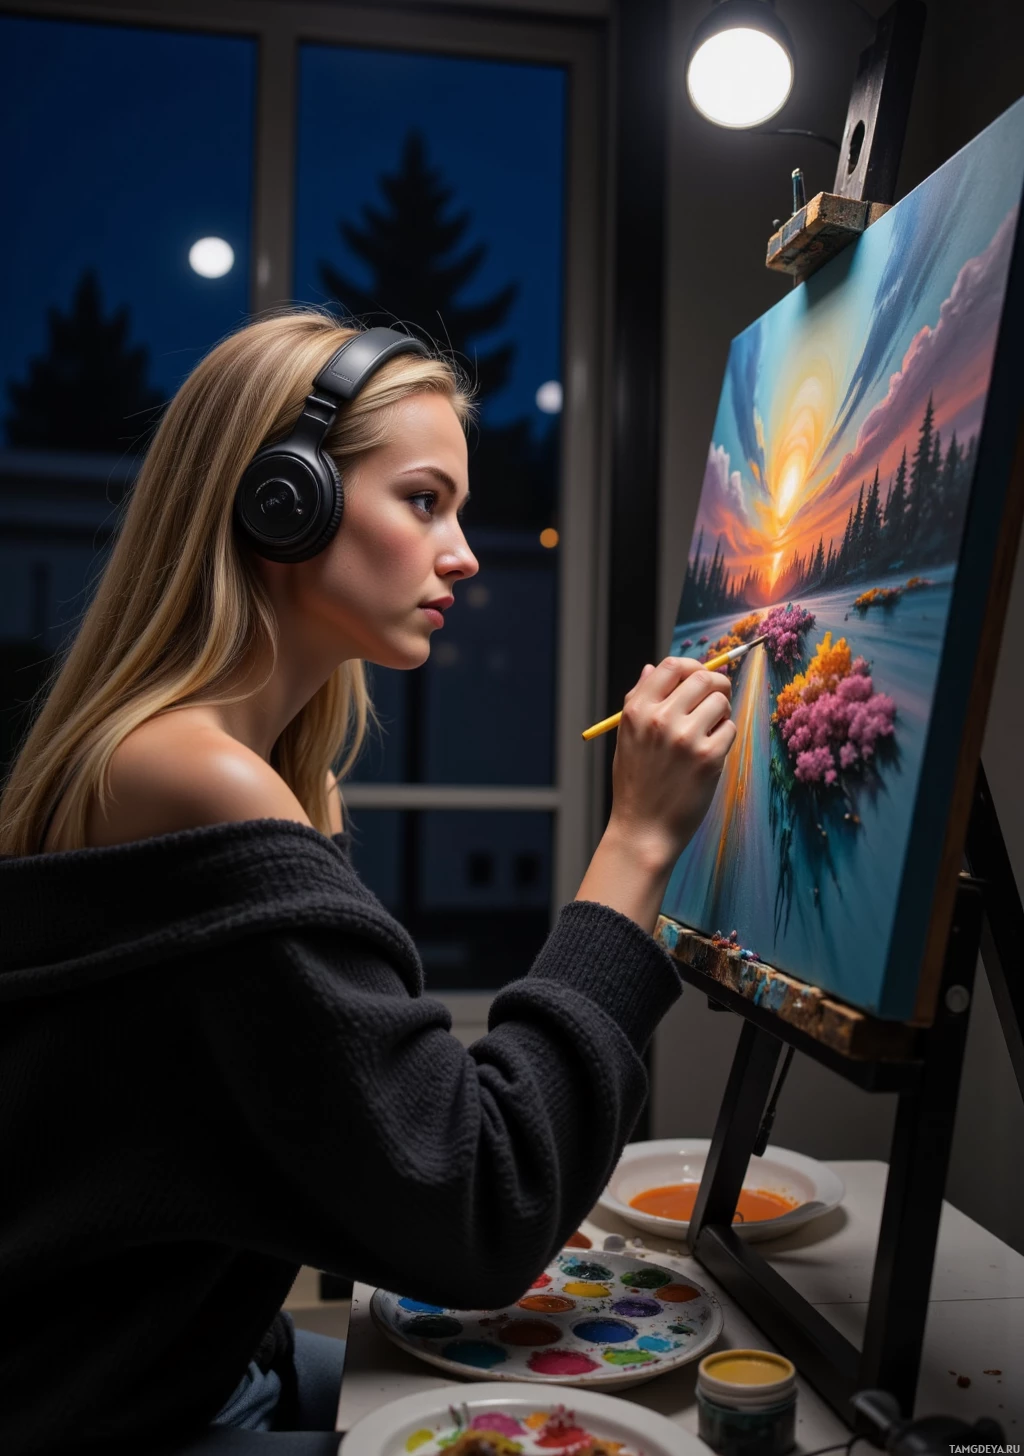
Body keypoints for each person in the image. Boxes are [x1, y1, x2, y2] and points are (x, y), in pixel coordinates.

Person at [0, 312, 736, 1455]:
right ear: (279, 501)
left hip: (196, 1365)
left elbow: (351, 1129)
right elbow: (481, 1203)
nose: (465, 551)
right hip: (113, 1416)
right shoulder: (197, 779)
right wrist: (635, 842)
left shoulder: (204, 765)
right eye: (424, 499)